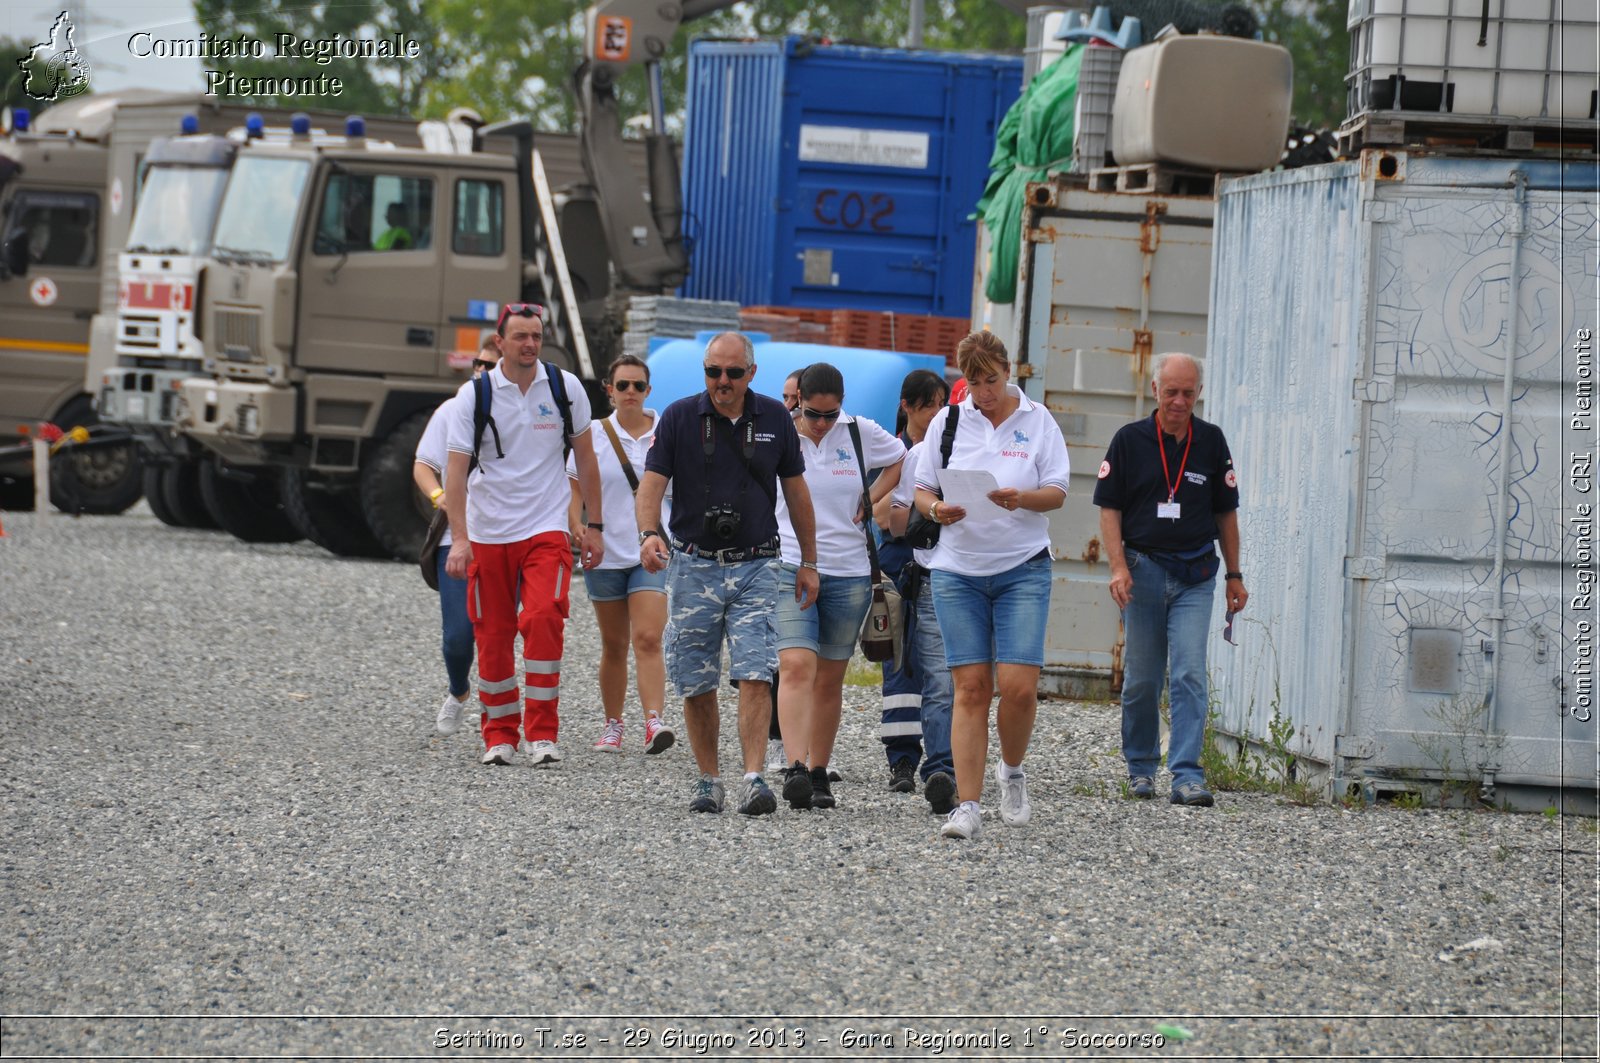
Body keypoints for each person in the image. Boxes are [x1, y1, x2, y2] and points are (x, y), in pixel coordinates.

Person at [635, 332, 819, 816]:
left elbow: (798, 495)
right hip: (693, 566)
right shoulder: (678, 417)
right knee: (697, 681)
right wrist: (648, 534)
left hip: (758, 564)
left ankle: (754, 777)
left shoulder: (777, 418)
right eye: (713, 372)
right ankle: (708, 778)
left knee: (756, 672)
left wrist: (810, 562)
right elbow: (651, 485)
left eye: (733, 373)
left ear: (751, 375)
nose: (722, 381)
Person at [912, 331, 1069, 840]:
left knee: (1020, 689)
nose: (983, 391)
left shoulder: (1037, 420)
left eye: (992, 380)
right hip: (957, 568)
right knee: (971, 688)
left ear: (1009, 370)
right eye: (974, 381)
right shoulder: (948, 421)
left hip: (1022, 566)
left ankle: (1013, 770)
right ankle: (969, 804)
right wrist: (937, 509)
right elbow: (921, 489)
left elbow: (1058, 492)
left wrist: (1021, 498)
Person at [443, 303, 605, 767]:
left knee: (542, 619)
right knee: (492, 635)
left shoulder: (564, 386)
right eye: (520, 337)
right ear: (500, 343)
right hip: (489, 532)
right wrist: (459, 538)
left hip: (546, 528)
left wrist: (593, 526)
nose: (530, 344)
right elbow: (455, 474)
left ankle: (542, 733)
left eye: (536, 335)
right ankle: (499, 734)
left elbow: (586, 459)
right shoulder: (474, 396)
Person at [1094, 351, 1247, 808]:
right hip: (1142, 572)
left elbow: (1226, 513)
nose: (1179, 401)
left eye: (1188, 392)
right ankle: (1141, 767)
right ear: (1155, 390)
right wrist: (1118, 567)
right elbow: (1109, 510)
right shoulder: (1129, 441)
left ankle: (1186, 774)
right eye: (1171, 391)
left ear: (1199, 393)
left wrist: (1235, 574)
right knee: (1142, 678)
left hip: (1195, 574)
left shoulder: (1212, 442)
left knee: (1188, 673)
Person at [772, 362, 904, 810]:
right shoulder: (781, 432)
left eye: (831, 415)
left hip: (848, 570)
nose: (823, 424)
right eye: (814, 414)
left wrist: (873, 499)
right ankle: (792, 765)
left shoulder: (858, 431)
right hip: (791, 562)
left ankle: (818, 771)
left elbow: (899, 459)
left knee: (830, 677)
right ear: (798, 402)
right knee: (794, 665)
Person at [565, 355, 675, 756]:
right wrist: (575, 524)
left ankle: (654, 720)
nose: (631, 392)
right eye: (623, 385)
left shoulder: (666, 433)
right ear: (608, 389)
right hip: (604, 550)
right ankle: (613, 724)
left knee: (648, 637)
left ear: (649, 390)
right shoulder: (592, 433)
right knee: (614, 644)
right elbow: (573, 489)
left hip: (652, 550)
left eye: (638, 386)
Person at [414, 336, 500, 736]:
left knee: (497, 631)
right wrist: (441, 499)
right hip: (457, 537)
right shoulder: (453, 409)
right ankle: (458, 691)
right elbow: (423, 466)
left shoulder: (522, 411)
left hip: (506, 535)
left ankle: (500, 717)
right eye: (478, 365)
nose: (482, 372)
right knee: (457, 638)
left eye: (490, 366)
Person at [874, 369, 951, 796]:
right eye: (928, 405)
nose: (936, 412)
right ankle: (901, 758)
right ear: (907, 407)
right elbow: (883, 515)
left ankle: (943, 760)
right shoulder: (895, 453)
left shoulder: (950, 450)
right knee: (899, 666)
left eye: (941, 404)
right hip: (898, 568)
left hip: (938, 566)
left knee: (938, 668)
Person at [765, 367, 807, 772]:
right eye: (785, 397)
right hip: (770, 555)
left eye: (796, 399)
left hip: (807, 558)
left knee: (802, 663)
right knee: (774, 661)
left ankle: (803, 749)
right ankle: (775, 740)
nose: (789, 406)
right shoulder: (772, 436)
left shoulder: (830, 437)